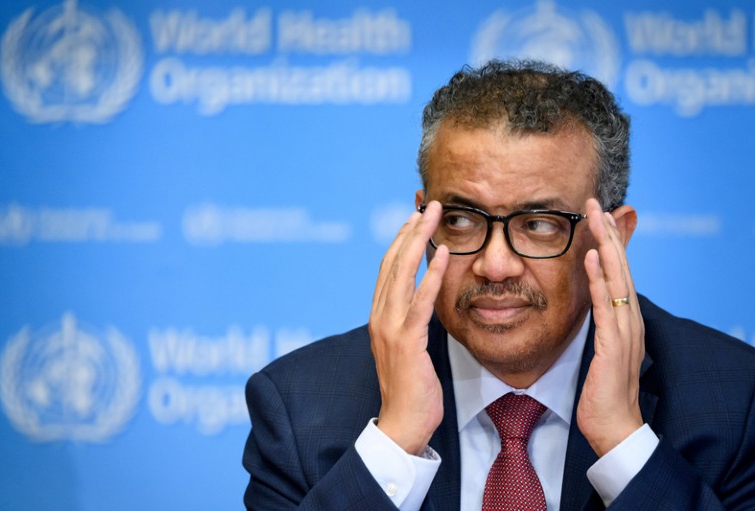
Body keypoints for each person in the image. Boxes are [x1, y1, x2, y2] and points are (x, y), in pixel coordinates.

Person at [242, 60, 755, 510]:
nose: (495, 265)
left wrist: (625, 446)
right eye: (463, 220)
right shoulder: (300, 410)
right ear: (424, 222)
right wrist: (394, 447)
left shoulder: (732, 402)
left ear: (613, 237)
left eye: (538, 224)